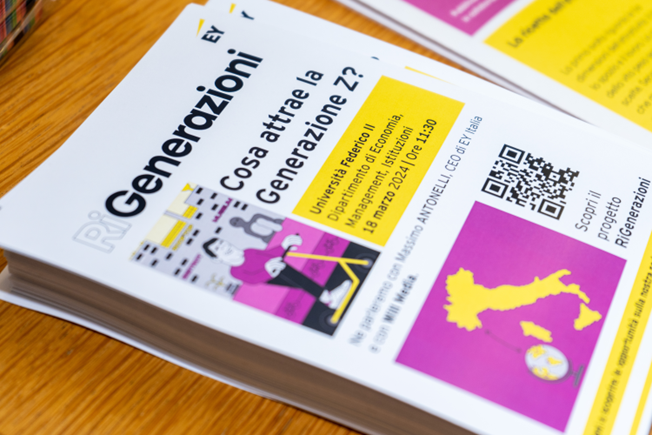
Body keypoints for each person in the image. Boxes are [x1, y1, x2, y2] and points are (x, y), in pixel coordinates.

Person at [202, 234, 351, 309]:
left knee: (292, 273)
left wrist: (284, 245)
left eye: (222, 243)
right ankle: (328, 298)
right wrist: (267, 270)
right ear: (217, 258)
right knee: (286, 272)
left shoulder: (248, 252)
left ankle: (328, 296)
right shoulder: (234, 271)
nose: (224, 247)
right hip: (269, 277)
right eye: (218, 248)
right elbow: (252, 280)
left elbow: (269, 255)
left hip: (277, 267)